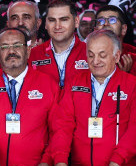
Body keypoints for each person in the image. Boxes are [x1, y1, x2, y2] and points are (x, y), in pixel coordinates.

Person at [0, 27, 60, 166]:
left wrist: (46, 161)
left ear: (28, 50)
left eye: (17, 45)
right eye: (5, 47)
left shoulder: (48, 84)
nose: (11, 51)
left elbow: (58, 130)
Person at [53, 30, 136, 166]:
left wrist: (118, 160)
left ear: (116, 56)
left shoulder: (132, 85)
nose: (95, 61)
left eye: (102, 55)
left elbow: (134, 129)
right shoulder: (74, 83)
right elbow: (63, 124)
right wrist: (60, 159)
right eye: (91, 55)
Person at [29, 0, 88, 88]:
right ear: (45, 24)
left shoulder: (90, 53)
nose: (57, 26)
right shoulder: (32, 55)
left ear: (76, 21)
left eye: (64, 20)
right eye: (52, 20)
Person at [94, 4, 136, 72]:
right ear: (95, 30)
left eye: (112, 20)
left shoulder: (134, 57)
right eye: (101, 21)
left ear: (123, 29)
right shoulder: (84, 58)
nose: (106, 23)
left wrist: (126, 77)